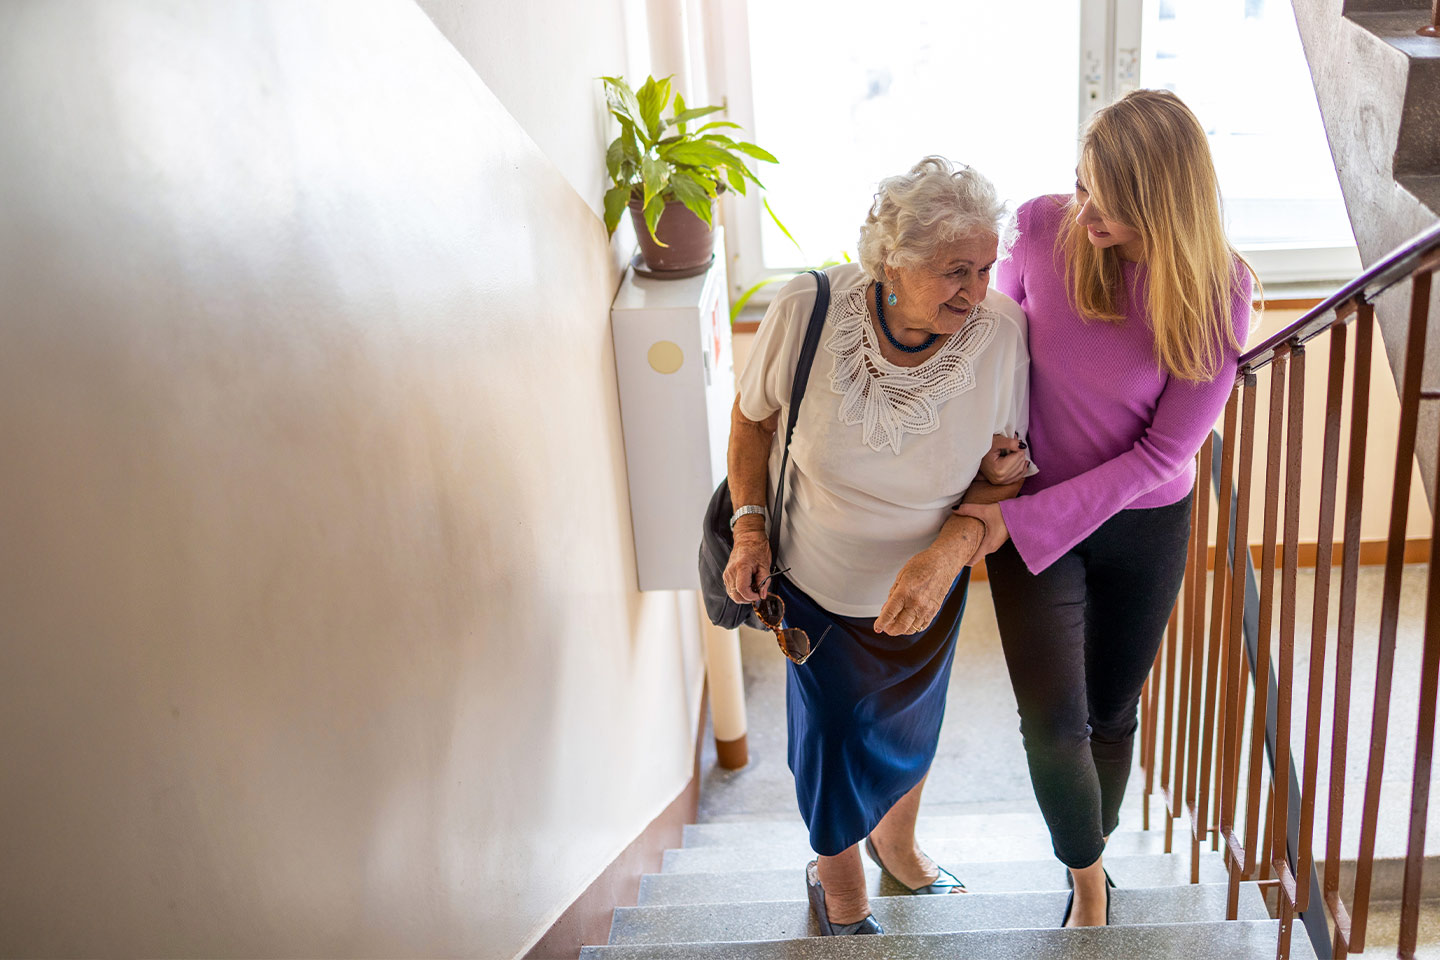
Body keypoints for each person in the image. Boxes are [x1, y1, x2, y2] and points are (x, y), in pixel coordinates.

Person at [955, 89, 1258, 928]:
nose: (1084, 209)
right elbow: (994, 340)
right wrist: (994, 456)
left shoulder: (1218, 291)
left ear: (1162, 201)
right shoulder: (1044, 227)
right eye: (1081, 184)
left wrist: (1015, 524)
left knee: (1111, 713)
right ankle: (1087, 880)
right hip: (1035, 506)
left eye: (1108, 200)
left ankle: (1093, 843)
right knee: (1053, 721)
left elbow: (1164, 454)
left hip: (1142, 523)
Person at [723, 156, 1035, 936]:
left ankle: (897, 844)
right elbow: (752, 420)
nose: (976, 289)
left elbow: (1004, 473)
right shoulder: (809, 307)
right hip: (813, 585)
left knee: (907, 726)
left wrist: (951, 549)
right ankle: (841, 884)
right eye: (953, 270)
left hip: (929, 585)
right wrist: (750, 524)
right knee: (831, 737)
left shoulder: (1001, 335)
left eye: (986, 267)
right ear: (891, 261)